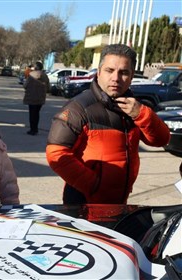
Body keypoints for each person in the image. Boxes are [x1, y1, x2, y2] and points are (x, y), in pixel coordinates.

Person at [46, 44, 170, 204]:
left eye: (124, 72)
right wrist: (95, 185)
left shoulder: (133, 107)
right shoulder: (78, 108)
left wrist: (142, 114)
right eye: (109, 70)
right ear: (98, 72)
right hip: (84, 203)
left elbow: (161, 140)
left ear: (132, 76)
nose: (116, 78)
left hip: (119, 201)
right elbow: (56, 153)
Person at [23, 61, 50, 135]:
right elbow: (48, 87)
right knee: (37, 113)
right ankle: (36, 128)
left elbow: (25, 85)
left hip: (31, 97)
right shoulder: (45, 76)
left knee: (32, 114)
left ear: (35, 67)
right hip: (40, 98)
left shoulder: (31, 75)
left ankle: (32, 129)